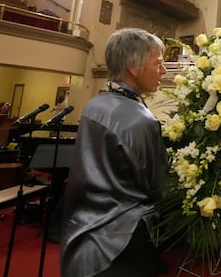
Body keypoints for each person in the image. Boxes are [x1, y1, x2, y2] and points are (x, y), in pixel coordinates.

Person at [60, 28, 168, 277]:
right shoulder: (142, 120)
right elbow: (157, 187)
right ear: (133, 66)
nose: (163, 70)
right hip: (122, 241)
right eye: (159, 63)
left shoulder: (93, 105)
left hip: (80, 232)